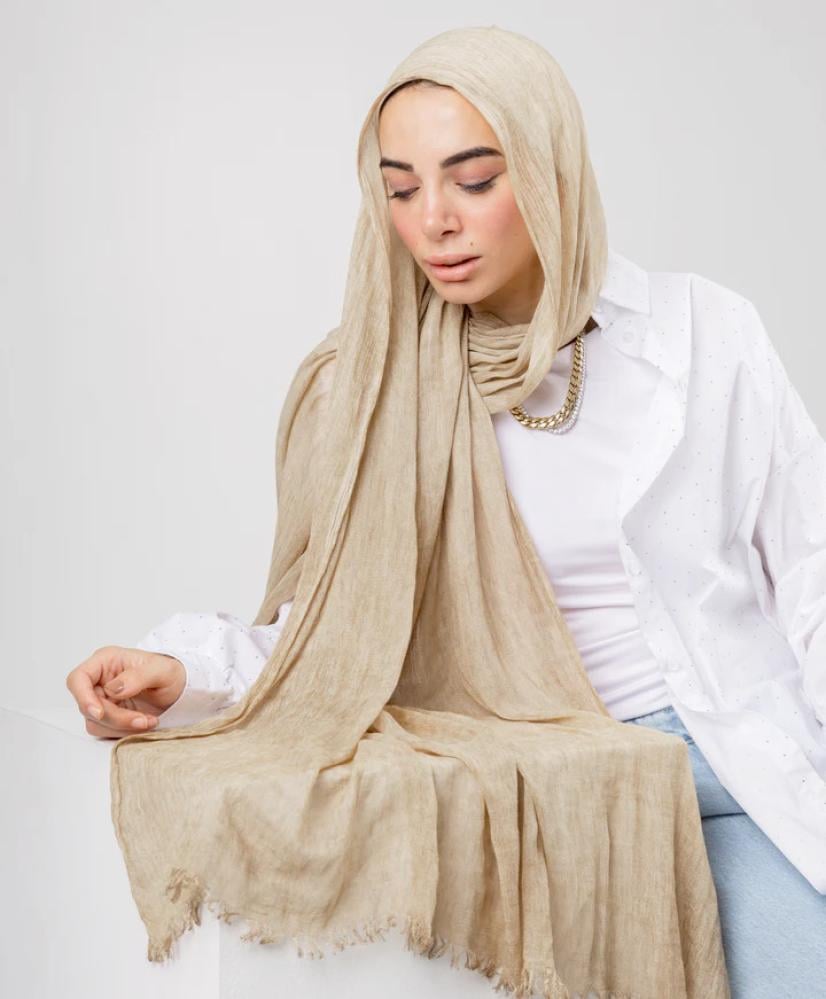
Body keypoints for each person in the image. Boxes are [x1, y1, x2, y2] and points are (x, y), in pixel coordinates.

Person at [66, 44, 826, 997]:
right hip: (557, 795)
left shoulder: (702, 333)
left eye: (474, 179)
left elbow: (812, 569)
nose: (434, 220)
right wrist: (184, 671)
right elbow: (337, 640)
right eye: (401, 188)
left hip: (748, 763)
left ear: (549, 171)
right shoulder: (371, 387)